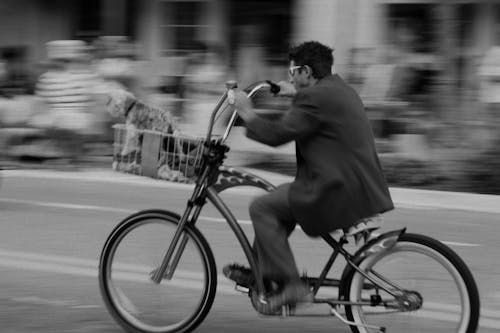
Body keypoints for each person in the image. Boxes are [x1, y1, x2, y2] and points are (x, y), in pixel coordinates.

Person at [223, 41, 394, 312]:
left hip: (336, 189)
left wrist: (247, 112)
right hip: (359, 185)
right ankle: (266, 273)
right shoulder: (340, 89)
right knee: (278, 203)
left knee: (262, 207)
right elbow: (316, 111)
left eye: (293, 72)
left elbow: (277, 135)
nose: (290, 76)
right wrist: (294, 93)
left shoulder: (314, 98)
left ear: (305, 71)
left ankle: (292, 286)